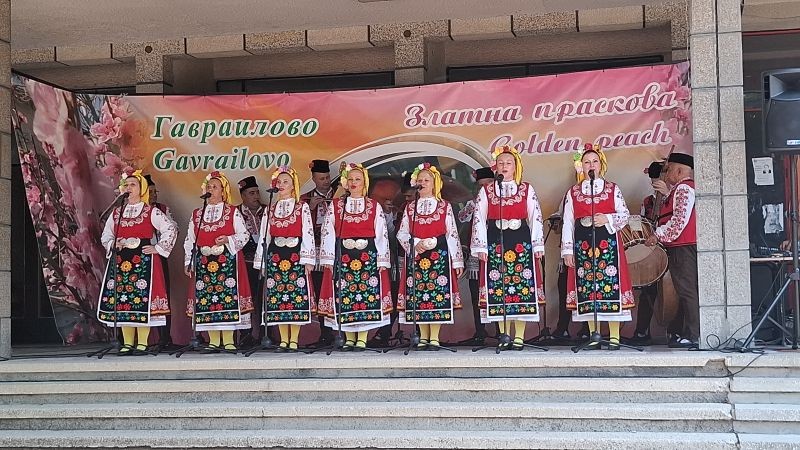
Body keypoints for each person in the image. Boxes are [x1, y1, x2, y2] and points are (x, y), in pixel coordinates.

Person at [470, 145, 546, 350]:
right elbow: (479, 218)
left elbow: (535, 216)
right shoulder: (488, 190)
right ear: (496, 167)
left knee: (520, 287)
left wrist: (537, 243)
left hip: (520, 240)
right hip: (496, 240)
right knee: (498, 288)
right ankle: (504, 335)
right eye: (501, 163)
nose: (504, 166)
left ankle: (519, 337)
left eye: (508, 163)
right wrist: (481, 247)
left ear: (515, 167)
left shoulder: (526, 189)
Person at [561, 143, 634, 350]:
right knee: (588, 289)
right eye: (587, 162)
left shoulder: (612, 189)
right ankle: (594, 335)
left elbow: (625, 215)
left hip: (607, 243)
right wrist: (567, 250)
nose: (591, 165)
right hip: (583, 244)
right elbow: (568, 221)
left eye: (594, 161)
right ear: (581, 166)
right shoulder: (573, 192)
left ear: (601, 165)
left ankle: (614, 337)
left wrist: (607, 218)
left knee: (610, 286)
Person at [98, 169, 178, 354]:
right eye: (126, 185)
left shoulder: (151, 211)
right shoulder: (117, 213)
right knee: (124, 301)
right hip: (121, 261)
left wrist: (158, 248)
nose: (129, 188)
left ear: (142, 188)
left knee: (142, 301)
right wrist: (112, 243)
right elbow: (106, 235)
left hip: (143, 261)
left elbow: (171, 229)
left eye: (133, 184)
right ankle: (127, 343)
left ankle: (142, 343)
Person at [317, 163, 393, 350]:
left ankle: (362, 338)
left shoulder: (373, 205)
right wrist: (328, 258)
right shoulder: (337, 205)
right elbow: (328, 231)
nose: (353, 182)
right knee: (346, 297)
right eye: (350, 179)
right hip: (344, 258)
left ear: (364, 182)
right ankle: (349, 338)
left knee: (365, 296)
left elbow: (381, 233)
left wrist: (382, 259)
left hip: (367, 258)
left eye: (357, 179)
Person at [183, 171, 254, 352]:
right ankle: (213, 340)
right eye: (209, 186)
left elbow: (244, 235)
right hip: (204, 263)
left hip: (227, 263)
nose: (211, 189)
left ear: (223, 191)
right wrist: (188, 261)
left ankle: (229, 340)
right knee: (208, 300)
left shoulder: (232, 212)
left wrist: (228, 239)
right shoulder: (197, 214)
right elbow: (190, 240)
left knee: (227, 299)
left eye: (215, 187)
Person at [397, 163, 464, 350]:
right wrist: (415, 243)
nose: (423, 183)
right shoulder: (410, 208)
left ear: (435, 184)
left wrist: (457, 260)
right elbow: (402, 233)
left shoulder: (444, 206)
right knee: (419, 296)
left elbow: (452, 234)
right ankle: (423, 336)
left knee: (436, 296)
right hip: (417, 258)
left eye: (427, 180)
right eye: (420, 180)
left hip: (438, 257)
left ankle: (434, 337)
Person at [253, 167, 316, 352]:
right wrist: (262, 262)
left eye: (285, 181)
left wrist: (308, 259)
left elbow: (308, 232)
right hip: (275, 257)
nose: (281, 185)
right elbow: (264, 236)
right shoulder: (270, 209)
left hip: (295, 256)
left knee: (295, 297)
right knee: (278, 297)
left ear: (293, 185)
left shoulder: (301, 207)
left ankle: (294, 340)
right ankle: (283, 340)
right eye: (278, 182)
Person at [646, 153, 698, 349]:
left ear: (679, 171)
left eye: (669, 170)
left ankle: (693, 335)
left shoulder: (684, 188)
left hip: (683, 247)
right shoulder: (678, 190)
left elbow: (678, 222)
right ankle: (686, 332)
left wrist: (657, 235)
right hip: (680, 246)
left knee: (687, 291)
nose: (666, 174)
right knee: (685, 291)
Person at [627, 161, 665, 346]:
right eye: (653, 181)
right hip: (652, 252)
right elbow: (641, 224)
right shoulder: (647, 202)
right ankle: (641, 331)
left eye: (657, 180)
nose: (655, 183)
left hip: (669, 247)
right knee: (647, 290)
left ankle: (676, 331)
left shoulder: (672, 196)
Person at [457, 167, 495, 346]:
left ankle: (500, 332)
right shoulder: (473, 203)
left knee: (496, 290)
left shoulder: (500, 201)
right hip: (476, 254)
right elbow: (462, 217)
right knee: (475, 294)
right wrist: (474, 204)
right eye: (481, 186)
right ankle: (480, 331)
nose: (484, 188)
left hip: (496, 252)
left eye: (488, 184)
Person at [300, 159, 335, 347]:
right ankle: (325, 333)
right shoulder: (305, 199)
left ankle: (344, 333)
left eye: (327, 177)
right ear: (313, 179)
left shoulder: (340, 196)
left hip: (337, 251)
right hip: (316, 252)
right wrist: (311, 208)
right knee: (321, 290)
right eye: (321, 178)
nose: (326, 181)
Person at [143, 174, 179, 349]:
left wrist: (158, 247)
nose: (153, 195)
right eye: (150, 192)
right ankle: (140, 341)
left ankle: (165, 338)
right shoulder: (129, 211)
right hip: (136, 258)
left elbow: (174, 228)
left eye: (155, 192)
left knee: (161, 296)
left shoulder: (162, 209)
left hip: (157, 256)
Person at [236, 175, 266, 346]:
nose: (256, 196)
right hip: (245, 264)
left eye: (257, 192)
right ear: (243, 196)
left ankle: (265, 335)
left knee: (264, 299)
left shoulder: (267, 210)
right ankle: (245, 335)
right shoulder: (235, 212)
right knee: (245, 299)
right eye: (251, 193)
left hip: (264, 263)